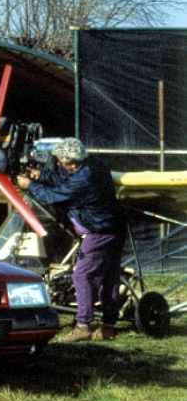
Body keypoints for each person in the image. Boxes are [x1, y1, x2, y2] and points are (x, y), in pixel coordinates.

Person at [17, 137, 126, 342]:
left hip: (99, 231)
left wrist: (30, 185)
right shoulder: (94, 164)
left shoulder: (84, 179)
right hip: (114, 227)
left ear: (71, 163)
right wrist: (42, 175)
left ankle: (83, 324)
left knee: (82, 275)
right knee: (109, 277)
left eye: (60, 162)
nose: (59, 165)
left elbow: (54, 196)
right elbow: (65, 178)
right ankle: (108, 325)